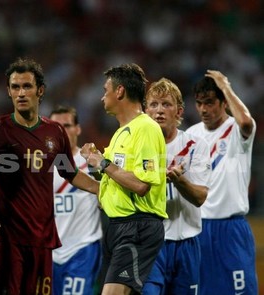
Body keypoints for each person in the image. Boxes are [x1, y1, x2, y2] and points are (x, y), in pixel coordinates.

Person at [0, 57, 99, 295]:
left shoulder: (54, 132)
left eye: (27, 86)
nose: (21, 93)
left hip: (42, 238)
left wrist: (101, 189)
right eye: (15, 87)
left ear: (40, 90)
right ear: (9, 92)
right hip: (6, 237)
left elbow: (70, 173)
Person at [80, 63, 167, 295]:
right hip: (117, 227)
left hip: (136, 225)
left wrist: (102, 163)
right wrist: (84, 161)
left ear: (119, 91)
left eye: (105, 90)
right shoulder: (121, 132)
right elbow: (105, 182)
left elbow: (141, 185)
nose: (102, 97)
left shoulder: (146, 128)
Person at [186, 70, 258, 295]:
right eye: (199, 103)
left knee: (241, 291)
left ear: (223, 102)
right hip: (199, 229)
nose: (203, 109)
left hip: (231, 228)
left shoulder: (236, 130)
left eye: (209, 103)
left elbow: (246, 120)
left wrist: (225, 86)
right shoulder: (191, 135)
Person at [142, 78, 211, 294]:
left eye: (166, 104)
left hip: (187, 244)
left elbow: (200, 197)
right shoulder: (138, 147)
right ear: (145, 111)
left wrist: (179, 181)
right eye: (154, 104)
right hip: (151, 244)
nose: (159, 111)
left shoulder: (195, 145)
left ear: (179, 112)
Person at [49, 105, 102, 295]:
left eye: (67, 125)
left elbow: (108, 197)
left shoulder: (92, 162)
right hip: (50, 253)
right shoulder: (41, 166)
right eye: (57, 126)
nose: (62, 131)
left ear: (78, 129)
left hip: (82, 249)